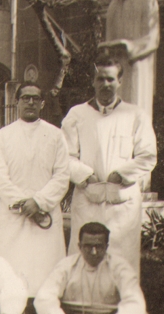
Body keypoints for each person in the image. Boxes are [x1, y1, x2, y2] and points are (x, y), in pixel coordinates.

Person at [61, 55, 157, 276]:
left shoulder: (135, 115)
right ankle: (83, 307)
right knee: (83, 258)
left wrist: (121, 175)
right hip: (88, 199)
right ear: (93, 81)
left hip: (121, 203)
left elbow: (148, 156)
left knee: (122, 261)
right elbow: (64, 156)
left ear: (119, 82)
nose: (105, 84)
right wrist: (86, 175)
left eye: (111, 79)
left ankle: (122, 308)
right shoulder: (77, 115)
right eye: (101, 79)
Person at [0, 82, 70, 314]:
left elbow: (62, 176)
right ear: (17, 102)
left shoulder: (56, 135)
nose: (30, 103)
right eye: (25, 98)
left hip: (45, 217)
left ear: (43, 103)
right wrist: (25, 204)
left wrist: (40, 202)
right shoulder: (2, 136)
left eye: (36, 99)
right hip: (14, 219)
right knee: (13, 274)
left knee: (45, 273)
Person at [98, 0, 160, 121]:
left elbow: (153, 38)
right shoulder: (113, 5)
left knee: (135, 111)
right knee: (115, 115)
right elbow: (109, 40)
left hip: (136, 66)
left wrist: (131, 47)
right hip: (116, 70)